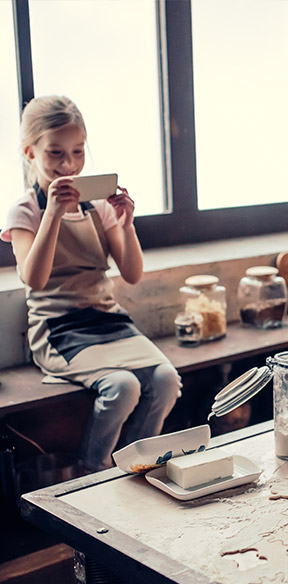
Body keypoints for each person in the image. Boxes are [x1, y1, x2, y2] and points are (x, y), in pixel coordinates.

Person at [1, 95, 181, 472]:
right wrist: (52, 212)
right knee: (123, 387)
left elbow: (132, 274)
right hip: (59, 328)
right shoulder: (26, 209)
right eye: (55, 153)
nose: (68, 164)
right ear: (29, 153)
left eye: (77, 151)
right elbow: (33, 278)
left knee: (166, 380)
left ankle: (136, 467)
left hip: (108, 320)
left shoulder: (96, 206)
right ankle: (92, 472)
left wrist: (127, 224)